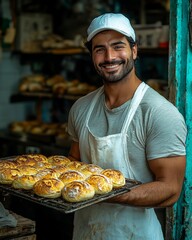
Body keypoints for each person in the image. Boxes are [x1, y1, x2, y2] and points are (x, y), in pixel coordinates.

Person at [67, 13, 187, 240]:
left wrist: (104, 193)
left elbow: (171, 189)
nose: (109, 57)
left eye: (118, 46)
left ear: (134, 51)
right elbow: (75, 163)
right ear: (92, 56)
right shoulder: (81, 108)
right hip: (86, 232)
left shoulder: (158, 113)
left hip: (136, 234)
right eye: (99, 49)